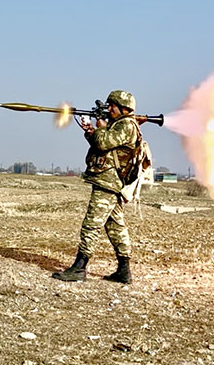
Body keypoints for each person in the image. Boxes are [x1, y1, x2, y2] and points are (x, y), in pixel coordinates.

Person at [51, 90, 149, 283]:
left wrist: (100, 128)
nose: (109, 109)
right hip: (109, 181)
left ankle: (80, 267)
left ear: (124, 108)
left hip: (109, 182)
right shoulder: (119, 125)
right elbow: (101, 144)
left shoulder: (126, 125)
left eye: (112, 106)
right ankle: (123, 269)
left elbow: (103, 142)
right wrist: (90, 131)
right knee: (115, 226)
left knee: (91, 224)